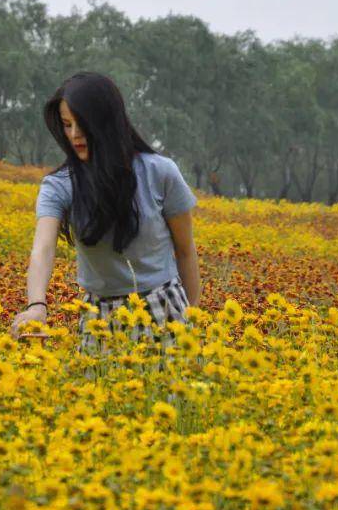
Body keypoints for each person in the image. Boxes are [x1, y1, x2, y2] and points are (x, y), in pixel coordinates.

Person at [11, 72, 201, 347]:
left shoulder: (160, 172)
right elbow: (42, 248)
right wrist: (36, 304)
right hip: (99, 316)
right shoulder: (59, 185)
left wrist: (192, 320)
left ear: (106, 123)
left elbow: (185, 251)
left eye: (82, 124)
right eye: (67, 124)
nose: (74, 135)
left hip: (164, 308)